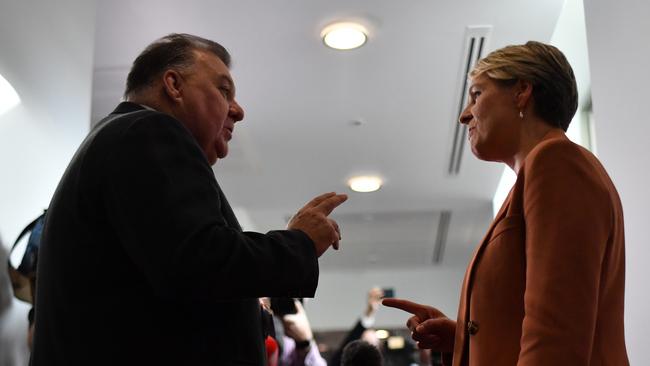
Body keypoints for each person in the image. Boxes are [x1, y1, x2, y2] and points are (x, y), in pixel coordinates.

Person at [31, 33, 347, 366]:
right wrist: (298, 243)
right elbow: (200, 260)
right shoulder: (149, 131)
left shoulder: (119, 138)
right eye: (224, 91)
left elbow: (178, 277)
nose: (238, 111)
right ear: (174, 85)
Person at [383, 41, 629, 365]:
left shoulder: (554, 161)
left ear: (521, 91)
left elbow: (556, 335)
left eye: (477, 95)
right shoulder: (535, 176)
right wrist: (462, 338)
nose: (464, 115)